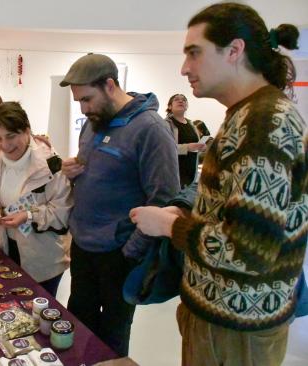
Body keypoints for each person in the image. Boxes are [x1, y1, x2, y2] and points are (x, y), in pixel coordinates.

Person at [130, 3, 306, 366]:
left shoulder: (263, 123)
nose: (184, 68)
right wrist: (184, 207)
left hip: (235, 330)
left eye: (194, 53)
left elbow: (248, 251)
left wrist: (168, 226)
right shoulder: (249, 114)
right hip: (223, 320)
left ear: (234, 51)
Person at [59, 53, 180, 356]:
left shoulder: (151, 129)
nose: (84, 109)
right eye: (79, 103)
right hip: (84, 248)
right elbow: (94, 174)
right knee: (78, 324)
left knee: (112, 336)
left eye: (87, 99)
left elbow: (165, 198)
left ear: (110, 85)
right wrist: (72, 173)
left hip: (120, 253)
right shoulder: (94, 122)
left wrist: (132, 250)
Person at [0, 102, 72, 297]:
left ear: (27, 130)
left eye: (11, 136)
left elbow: (62, 212)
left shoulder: (51, 165)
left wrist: (29, 215)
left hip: (44, 258)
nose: (5, 145)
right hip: (7, 249)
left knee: (39, 311)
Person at [165, 94, 206, 188]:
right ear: (170, 106)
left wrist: (201, 147)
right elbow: (165, 150)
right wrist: (187, 147)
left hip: (191, 175)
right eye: (176, 99)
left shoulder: (192, 125)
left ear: (186, 106)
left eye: (184, 100)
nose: (181, 101)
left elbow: (194, 148)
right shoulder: (165, 124)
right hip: (173, 175)